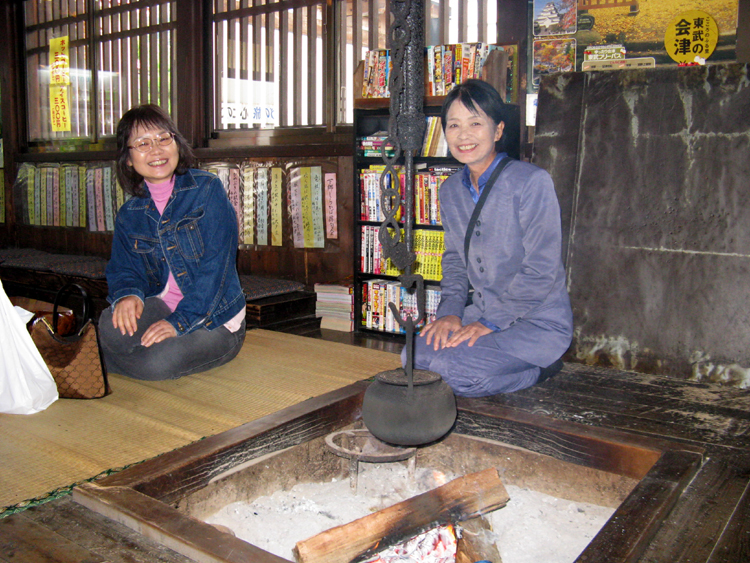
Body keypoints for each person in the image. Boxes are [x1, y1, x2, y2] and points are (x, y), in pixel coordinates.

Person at [403, 79, 573, 397]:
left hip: (535, 322)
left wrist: (489, 323)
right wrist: (451, 314)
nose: (464, 135)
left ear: (497, 131)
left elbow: (541, 269)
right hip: (479, 313)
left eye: (475, 123)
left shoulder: (532, 182)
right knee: (414, 358)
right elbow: (454, 260)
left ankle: (540, 368)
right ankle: (479, 361)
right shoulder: (450, 189)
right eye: (454, 125)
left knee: (460, 373)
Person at [99, 104, 246, 380]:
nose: (156, 150)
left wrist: (178, 322)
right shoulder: (130, 214)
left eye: (163, 138)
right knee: (110, 326)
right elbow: (123, 268)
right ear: (128, 159)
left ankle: (102, 359)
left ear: (176, 143)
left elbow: (216, 269)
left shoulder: (207, 190)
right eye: (142, 143)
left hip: (215, 317)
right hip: (165, 304)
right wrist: (128, 294)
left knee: (158, 362)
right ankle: (110, 356)